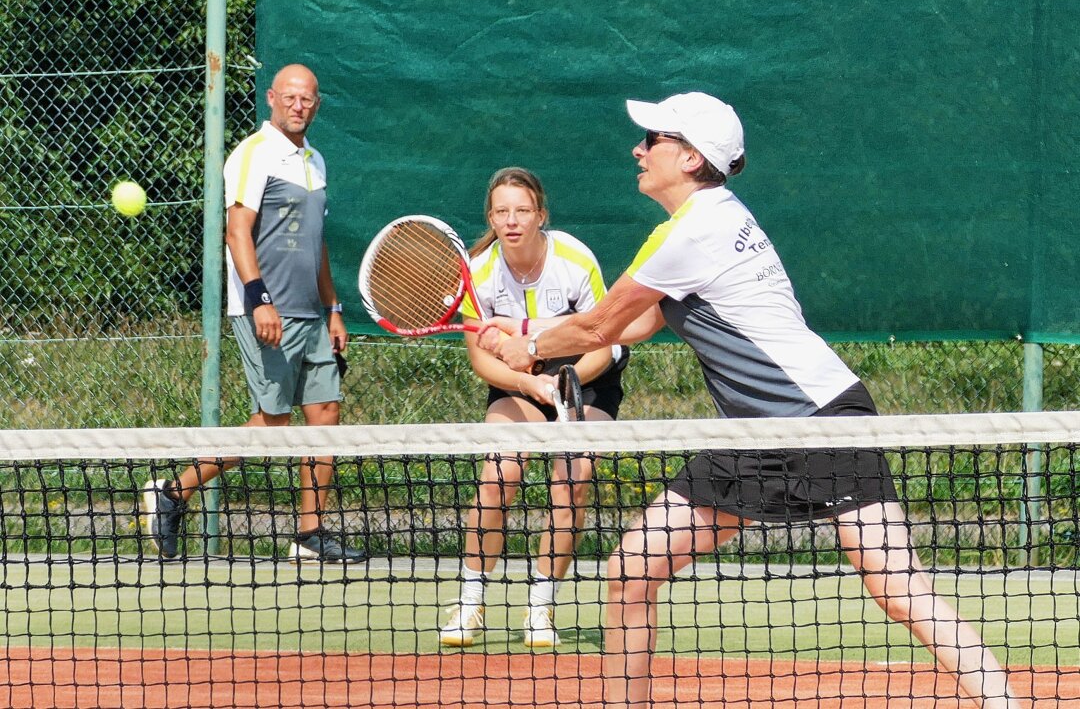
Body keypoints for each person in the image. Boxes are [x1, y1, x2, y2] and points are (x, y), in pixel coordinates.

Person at [482, 94, 1018, 707]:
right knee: (632, 569)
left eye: (651, 138)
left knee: (898, 588)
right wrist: (531, 337)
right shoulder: (692, 224)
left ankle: (1002, 701)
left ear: (688, 157)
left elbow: (601, 326)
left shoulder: (696, 231)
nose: (637, 149)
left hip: (821, 423)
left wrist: (530, 346)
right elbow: (637, 323)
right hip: (752, 438)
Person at [142, 64, 365, 564]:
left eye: (306, 98)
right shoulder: (253, 153)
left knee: (326, 413)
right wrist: (259, 298)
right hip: (267, 309)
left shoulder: (316, 161)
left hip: (312, 314)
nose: (298, 105)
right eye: (289, 96)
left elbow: (317, 244)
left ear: (317, 103)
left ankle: (309, 535)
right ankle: (173, 491)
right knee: (274, 419)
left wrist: (333, 308)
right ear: (271, 98)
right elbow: (236, 232)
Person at [439, 167, 628, 649]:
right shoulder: (478, 273)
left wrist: (564, 384)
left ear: (540, 215)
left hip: (587, 376)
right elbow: (484, 361)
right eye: (502, 211)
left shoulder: (573, 259)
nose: (512, 220)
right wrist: (530, 383)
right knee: (498, 475)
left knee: (574, 478)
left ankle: (541, 608)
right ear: (491, 217)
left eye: (522, 210)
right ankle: (468, 604)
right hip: (519, 381)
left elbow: (603, 342)